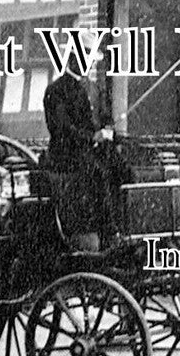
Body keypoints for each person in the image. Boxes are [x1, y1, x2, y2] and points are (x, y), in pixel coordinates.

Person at [42, 67, 129, 249]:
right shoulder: (56, 90)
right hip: (67, 155)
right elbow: (62, 129)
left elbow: (104, 117)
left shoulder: (94, 88)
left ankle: (127, 227)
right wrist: (91, 137)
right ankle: (110, 231)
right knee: (96, 172)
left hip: (93, 152)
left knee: (124, 170)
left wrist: (108, 129)